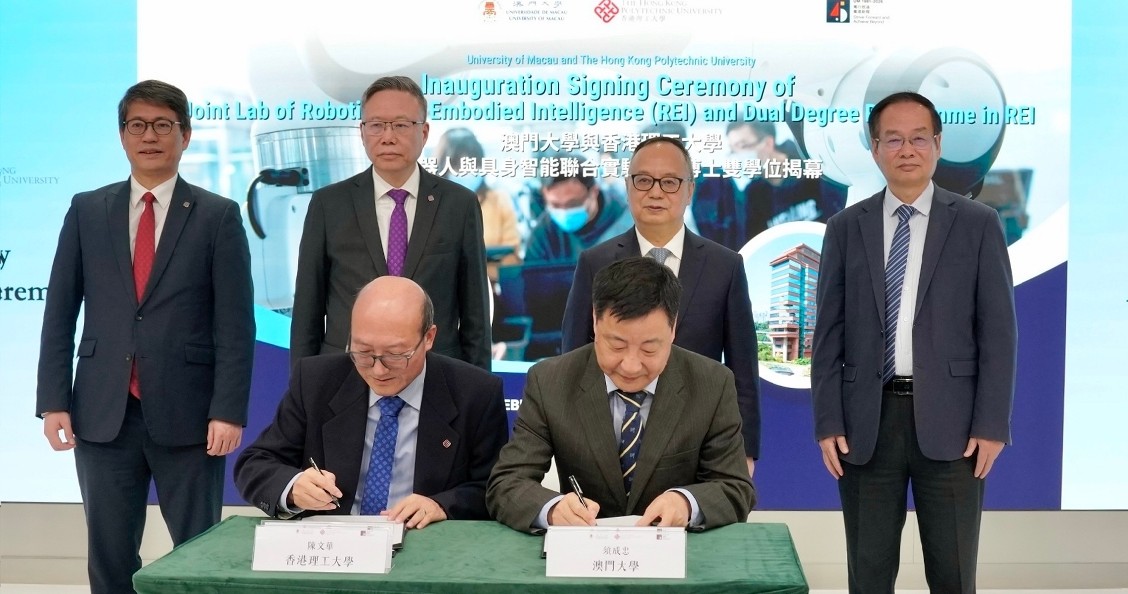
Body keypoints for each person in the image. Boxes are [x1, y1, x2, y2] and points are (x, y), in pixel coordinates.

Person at [35, 80, 255, 594]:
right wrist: (53, 402)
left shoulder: (217, 216)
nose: (149, 136)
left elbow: (235, 325)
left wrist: (228, 409)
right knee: (109, 555)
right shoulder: (87, 210)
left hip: (191, 416)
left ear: (186, 135)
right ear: (122, 136)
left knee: (197, 552)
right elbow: (59, 312)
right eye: (138, 125)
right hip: (101, 412)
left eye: (163, 125)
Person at [811, 91, 1017, 594]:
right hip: (866, 425)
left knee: (952, 574)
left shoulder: (978, 224)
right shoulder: (843, 228)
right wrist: (828, 421)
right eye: (894, 139)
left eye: (919, 138)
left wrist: (992, 425)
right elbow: (827, 334)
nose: (908, 149)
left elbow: (999, 332)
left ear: (938, 145)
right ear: (875, 148)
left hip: (954, 427)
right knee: (869, 573)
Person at [487, 257, 754, 532]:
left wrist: (686, 503)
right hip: (585, 557)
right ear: (594, 321)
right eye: (616, 345)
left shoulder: (711, 382)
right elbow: (507, 483)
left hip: (679, 557)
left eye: (649, 349)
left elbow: (735, 488)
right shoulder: (551, 380)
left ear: (673, 330)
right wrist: (552, 509)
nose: (630, 366)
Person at [560, 136, 762, 474]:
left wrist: (746, 449)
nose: (655, 192)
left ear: (689, 190)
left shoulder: (724, 266)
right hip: (612, 440)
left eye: (669, 182)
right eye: (643, 180)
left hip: (700, 440)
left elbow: (743, 368)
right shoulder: (595, 262)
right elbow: (573, 357)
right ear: (628, 187)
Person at [236, 276, 508, 525]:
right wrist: (293, 487)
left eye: (395, 355)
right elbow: (255, 463)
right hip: (335, 546)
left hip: (427, 546)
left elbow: (496, 488)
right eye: (363, 352)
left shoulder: (475, 393)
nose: (378, 370)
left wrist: (441, 505)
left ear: (429, 338)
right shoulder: (317, 381)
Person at [291, 76, 491, 370]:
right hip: (346, 374)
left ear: (423, 132)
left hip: (436, 374)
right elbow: (307, 312)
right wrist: (302, 393)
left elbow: (476, 316)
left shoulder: (458, 204)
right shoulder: (329, 205)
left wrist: (479, 396)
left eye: (400, 125)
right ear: (362, 132)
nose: (387, 136)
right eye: (376, 125)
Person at [693, 120, 847, 251]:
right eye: (733, 150)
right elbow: (754, 245)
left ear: (768, 143)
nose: (738, 156)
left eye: (743, 146)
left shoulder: (814, 170)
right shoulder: (753, 194)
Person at [432, 127, 522, 280]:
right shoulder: (429, 204)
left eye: (472, 165)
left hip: (492, 290)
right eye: (457, 166)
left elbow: (511, 258)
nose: (466, 172)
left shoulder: (499, 200)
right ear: (442, 168)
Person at [523, 153, 633, 265]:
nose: (563, 212)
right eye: (555, 205)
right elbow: (530, 278)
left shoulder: (627, 222)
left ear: (594, 192)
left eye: (573, 204)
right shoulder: (543, 234)